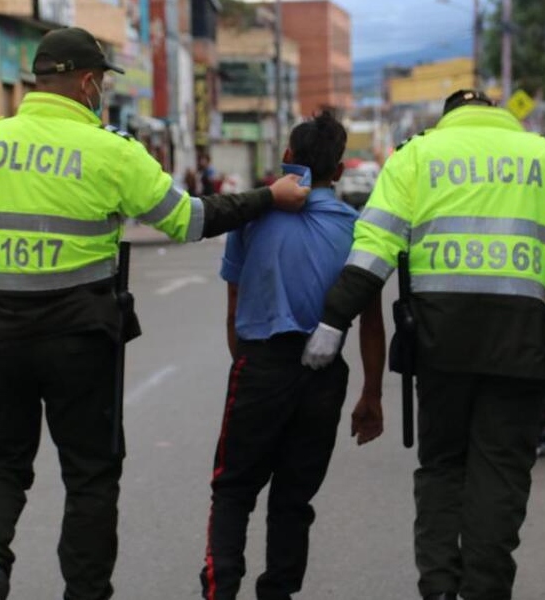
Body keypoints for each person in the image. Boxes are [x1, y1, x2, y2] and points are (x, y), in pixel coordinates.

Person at [0, 26, 308, 600]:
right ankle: (85, 592)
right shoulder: (112, 151)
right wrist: (269, 197)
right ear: (89, 82)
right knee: (90, 474)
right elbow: (189, 220)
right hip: (80, 340)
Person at [300, 89, 545, 600]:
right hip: (520, 346)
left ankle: (439, 588)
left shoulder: (415, 156)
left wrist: (333, 320)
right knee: (501, 473)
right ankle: (485, 590)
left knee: (441, 466)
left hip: (440, 345)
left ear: (449, 120)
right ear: (500, 117)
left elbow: (374, 251)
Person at [199, 111, 386, 600]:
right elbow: (370, 320)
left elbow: (234, 304)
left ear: (287, 158)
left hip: (261, 365)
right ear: (340, 172)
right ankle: (276, 592)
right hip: (324, 378)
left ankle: (220, 588)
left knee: (234, 488)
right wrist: (371, 394)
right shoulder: (358, 228)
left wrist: (247, 364)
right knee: (293, 498)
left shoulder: (253, 216)